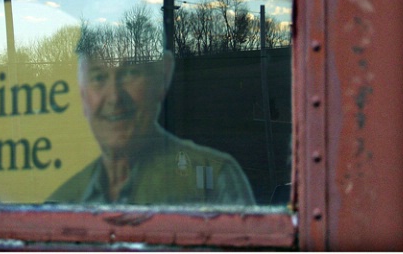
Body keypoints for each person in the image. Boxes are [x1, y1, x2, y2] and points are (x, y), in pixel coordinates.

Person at [48, 30, 255, 206]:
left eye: (130, 72)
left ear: (162, 79)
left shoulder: (213, 178)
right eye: (99, 77)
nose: (114, 97)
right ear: (83, 96)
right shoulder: (62, 201)